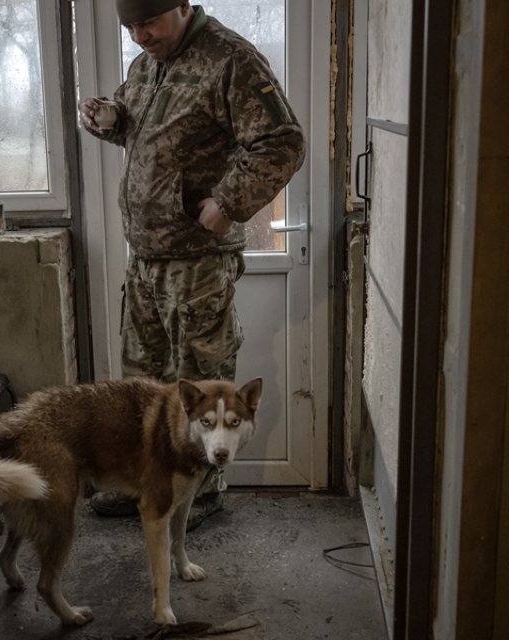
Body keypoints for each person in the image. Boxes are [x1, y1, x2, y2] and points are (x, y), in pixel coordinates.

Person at [78, 0, 305, 529]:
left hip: (198, 261)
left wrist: (226, 205)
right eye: (130, 27)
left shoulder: (229, 60)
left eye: (148, 23)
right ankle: (145, 483)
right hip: (147, 258)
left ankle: (198, 492)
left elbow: (282, 142)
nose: (138, 36)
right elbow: (139, 127)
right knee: (143, 383)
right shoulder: (148, 61)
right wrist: (110, 119)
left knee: (202, 382)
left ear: (182, 6)